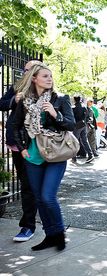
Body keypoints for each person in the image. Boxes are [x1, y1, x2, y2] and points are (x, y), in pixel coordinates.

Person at [12, 62, 76, 251]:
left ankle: (59, 234)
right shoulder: (24, 101)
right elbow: (15, 126)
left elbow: (71, 125)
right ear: (34, 79)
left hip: (56, 154)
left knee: (48, 197)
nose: (49, 79)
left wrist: (55, 114)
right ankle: (50, 236)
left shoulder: (60, 99)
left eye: (50, 76)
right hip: (33, 155)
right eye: (45, 76)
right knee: (39, 198)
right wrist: (22, 148)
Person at [0, 60, 41, 242]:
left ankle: (50, 222)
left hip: (40, 144)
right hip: (19, 143)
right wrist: (13, 100)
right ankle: (28, 225)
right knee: (26, 185)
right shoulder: (16, 87)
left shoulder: (47, 89)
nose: (27, 73)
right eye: (25, 70)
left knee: (40, 187)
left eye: (31, 70)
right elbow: (1, 104)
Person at [72, 96, 94, 163]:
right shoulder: (84, 107)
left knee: (74, 141)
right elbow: (87, 116)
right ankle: (90, 155)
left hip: (76, 126)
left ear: (74, 100)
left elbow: (72, 117)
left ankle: (74, 157)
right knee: (85, 140)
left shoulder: (73, 108)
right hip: (83, 125)